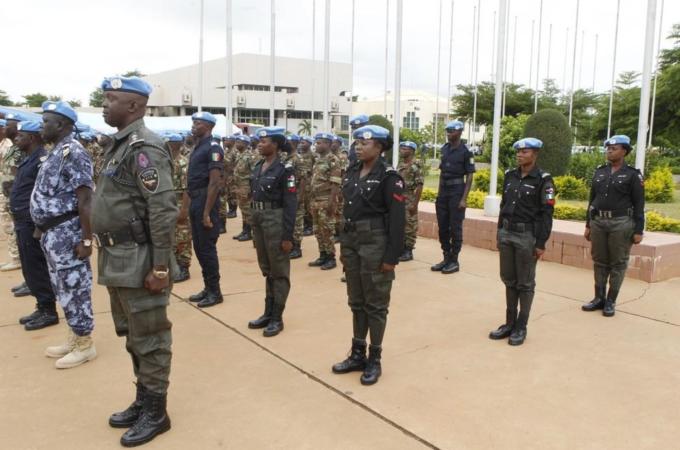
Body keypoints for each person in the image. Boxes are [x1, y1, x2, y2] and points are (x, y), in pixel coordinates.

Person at [94, 76, 176, 446]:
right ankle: (143, 400)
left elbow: (162, 209)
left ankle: (157, 412)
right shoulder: (119, 146)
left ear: (133, 106)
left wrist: (160, 267)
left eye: (111, 98)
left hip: (140, 260)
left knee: (152, 338)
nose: (104, 104)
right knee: (132, 336)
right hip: (118, 258)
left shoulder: (146, 148)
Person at [332, 125, 405, 385]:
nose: (359, 147)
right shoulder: (352, 170)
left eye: (365, 143)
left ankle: (374, 358)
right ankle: (357, 354)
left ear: (380, 147)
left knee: (375, 304)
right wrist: (344, 246)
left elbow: (397, 219)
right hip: (352, 241)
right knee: (356, 300)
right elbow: (347, 210)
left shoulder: (389, 177)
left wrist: (391, 257)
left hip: (375, 242)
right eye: (357, 143)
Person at [31, 102, 97, 367]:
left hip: (68, 234)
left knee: (75, 287)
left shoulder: (75, 152)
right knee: (62, 287)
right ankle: (74, 336)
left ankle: (85, 344)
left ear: (60, 124)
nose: (41, 126)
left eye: (45, 121)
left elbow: (86, 200)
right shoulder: (57, 151)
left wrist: (87, 240)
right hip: (53, 234)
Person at [489, 138, 555, 346]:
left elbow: (547, 213)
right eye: (518, 152)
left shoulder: (543, 180)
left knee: (525, 283)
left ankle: (521, 326)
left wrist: (541, 243)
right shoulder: (510, 175)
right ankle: (509, 323)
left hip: (526, 237)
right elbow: (504, 205)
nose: (519, 155)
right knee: (509, 280)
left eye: (524, 152)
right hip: (507, 233)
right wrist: (499, 232)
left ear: (535, 154)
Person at [582, 135, 644, 317]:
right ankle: (598, 298)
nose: (609, 151)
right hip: (598, 222)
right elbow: (592, 200)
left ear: (624, 151)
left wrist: (639, 230)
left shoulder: (633, 175)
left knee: (618, 263)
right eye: (608, 148)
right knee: (599, 261)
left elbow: (639, 203)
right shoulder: (600, 171)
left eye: (614, 148)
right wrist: (588, 224)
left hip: (621, 223)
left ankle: (611, 300)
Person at [247, 127, 297, 336]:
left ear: (275, 144)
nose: (259, 144)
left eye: (264, 141)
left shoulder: (285, 169)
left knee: (279, 271)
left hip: (275, 220)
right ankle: (268, 312)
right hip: (259, 219)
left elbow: (291, 203)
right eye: (259, 141)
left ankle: (277, 317)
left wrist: (287, 236)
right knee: (267, 268)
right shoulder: (259, 166)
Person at [10, 120, 59, 331]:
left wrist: (39, 224)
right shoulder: (29, 158)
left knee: (36, 267)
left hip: (31, 222)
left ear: (31, 138)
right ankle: (41, 306)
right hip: (22, 220)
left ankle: (48, 311)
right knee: (29, 266)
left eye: (20, 136)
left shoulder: (41, 160)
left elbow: (44, 194)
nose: (16, 139)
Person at [186, 112, 225, 308]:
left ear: (209, 126)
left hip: (205, 200)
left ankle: (215, 292)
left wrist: (207, 212)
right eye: (193, 122)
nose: (194, 126)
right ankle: (207, 287)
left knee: (207, 248)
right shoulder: (198, 146)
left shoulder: (213, 147)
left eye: (198, 123)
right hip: (196, 199)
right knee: (199, 247)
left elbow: (215, 182)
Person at [431, 120, 475, 274]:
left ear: (460, 132)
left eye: (451, 131)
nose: (448, 133)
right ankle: (446, 257)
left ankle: (454, 260)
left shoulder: (466, 151)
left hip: (457, 191)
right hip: (443, 192)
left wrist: (464, 199)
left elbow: (470, 176)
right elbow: (442, 172)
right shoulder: (444, 149)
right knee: (443, 227)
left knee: (455, 227)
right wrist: (439, 194)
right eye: (447, 131)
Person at [308, 132, 341, 270]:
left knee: (327, 230)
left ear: (327, 144)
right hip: (315, 200)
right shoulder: (318, 159)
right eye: (316, 143)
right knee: (317, 230)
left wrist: (332, 203)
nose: (316, 145)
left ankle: (330, 257)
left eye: (319, 143)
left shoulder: (333, 160)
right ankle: (322, 255)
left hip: (326, 199)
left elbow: (335, 183)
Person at [166, 133, 192, 283]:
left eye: (169, 143)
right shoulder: (165, 161)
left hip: (180, 202)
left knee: (182, 236)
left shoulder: (183, 163)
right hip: (167, 203)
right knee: (170, 235)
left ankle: (184, 267)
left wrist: (184, 210)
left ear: (175, 145)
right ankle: (173, 264)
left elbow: (187, 188)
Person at [0, 112, 24, 271]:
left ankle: (17, 258)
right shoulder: (12, 147)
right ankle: (16, 256)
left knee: (13, 227)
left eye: (8, 125)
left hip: (15, 195)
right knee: (9, 226)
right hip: (7, 192)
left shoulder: (17, 148)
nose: (5, 128)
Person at [397, 141, 424, 262]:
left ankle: (408, 251)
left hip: (409, 197)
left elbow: (419, 186)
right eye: (401, 148)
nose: (402, 150)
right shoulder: (401, 164)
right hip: (399, 197)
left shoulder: (415, 165)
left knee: (410, 224)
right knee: (400, 223)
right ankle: (401, 248)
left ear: (412, 151)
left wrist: (415, 204)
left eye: (405, 149)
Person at [285, 134, 306, 259]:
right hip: (288, 194)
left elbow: (303, 179)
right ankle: (291, 245)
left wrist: (300, 197)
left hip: (296, 194)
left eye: (290, 142)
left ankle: (297, 248)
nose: (287, 144)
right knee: (288, 221)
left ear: (296, 143)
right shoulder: (286, 158)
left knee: (297, 222)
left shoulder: (298, 159)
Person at [232, 134, 255, 241]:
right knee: (242, 209)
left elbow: (254, 174)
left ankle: (249, 232)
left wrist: (251, 189)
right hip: (239, 186)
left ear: (245, 144)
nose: (237, 144)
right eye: (236, 142)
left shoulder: (250, 156)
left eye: (239, 142)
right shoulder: (239, 155)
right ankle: (244, 230)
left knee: (248, 210)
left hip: (246, 187)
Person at [298, 135, 315, 236]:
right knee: (302, 205)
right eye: (300, 142)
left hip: (309, 184)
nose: (301, 144)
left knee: (308, 205)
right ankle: (304, 224)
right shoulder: (299, 155)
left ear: (309, 144)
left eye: (303, 143)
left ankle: (310, 226)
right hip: (300, 184)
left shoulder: (313, 155)